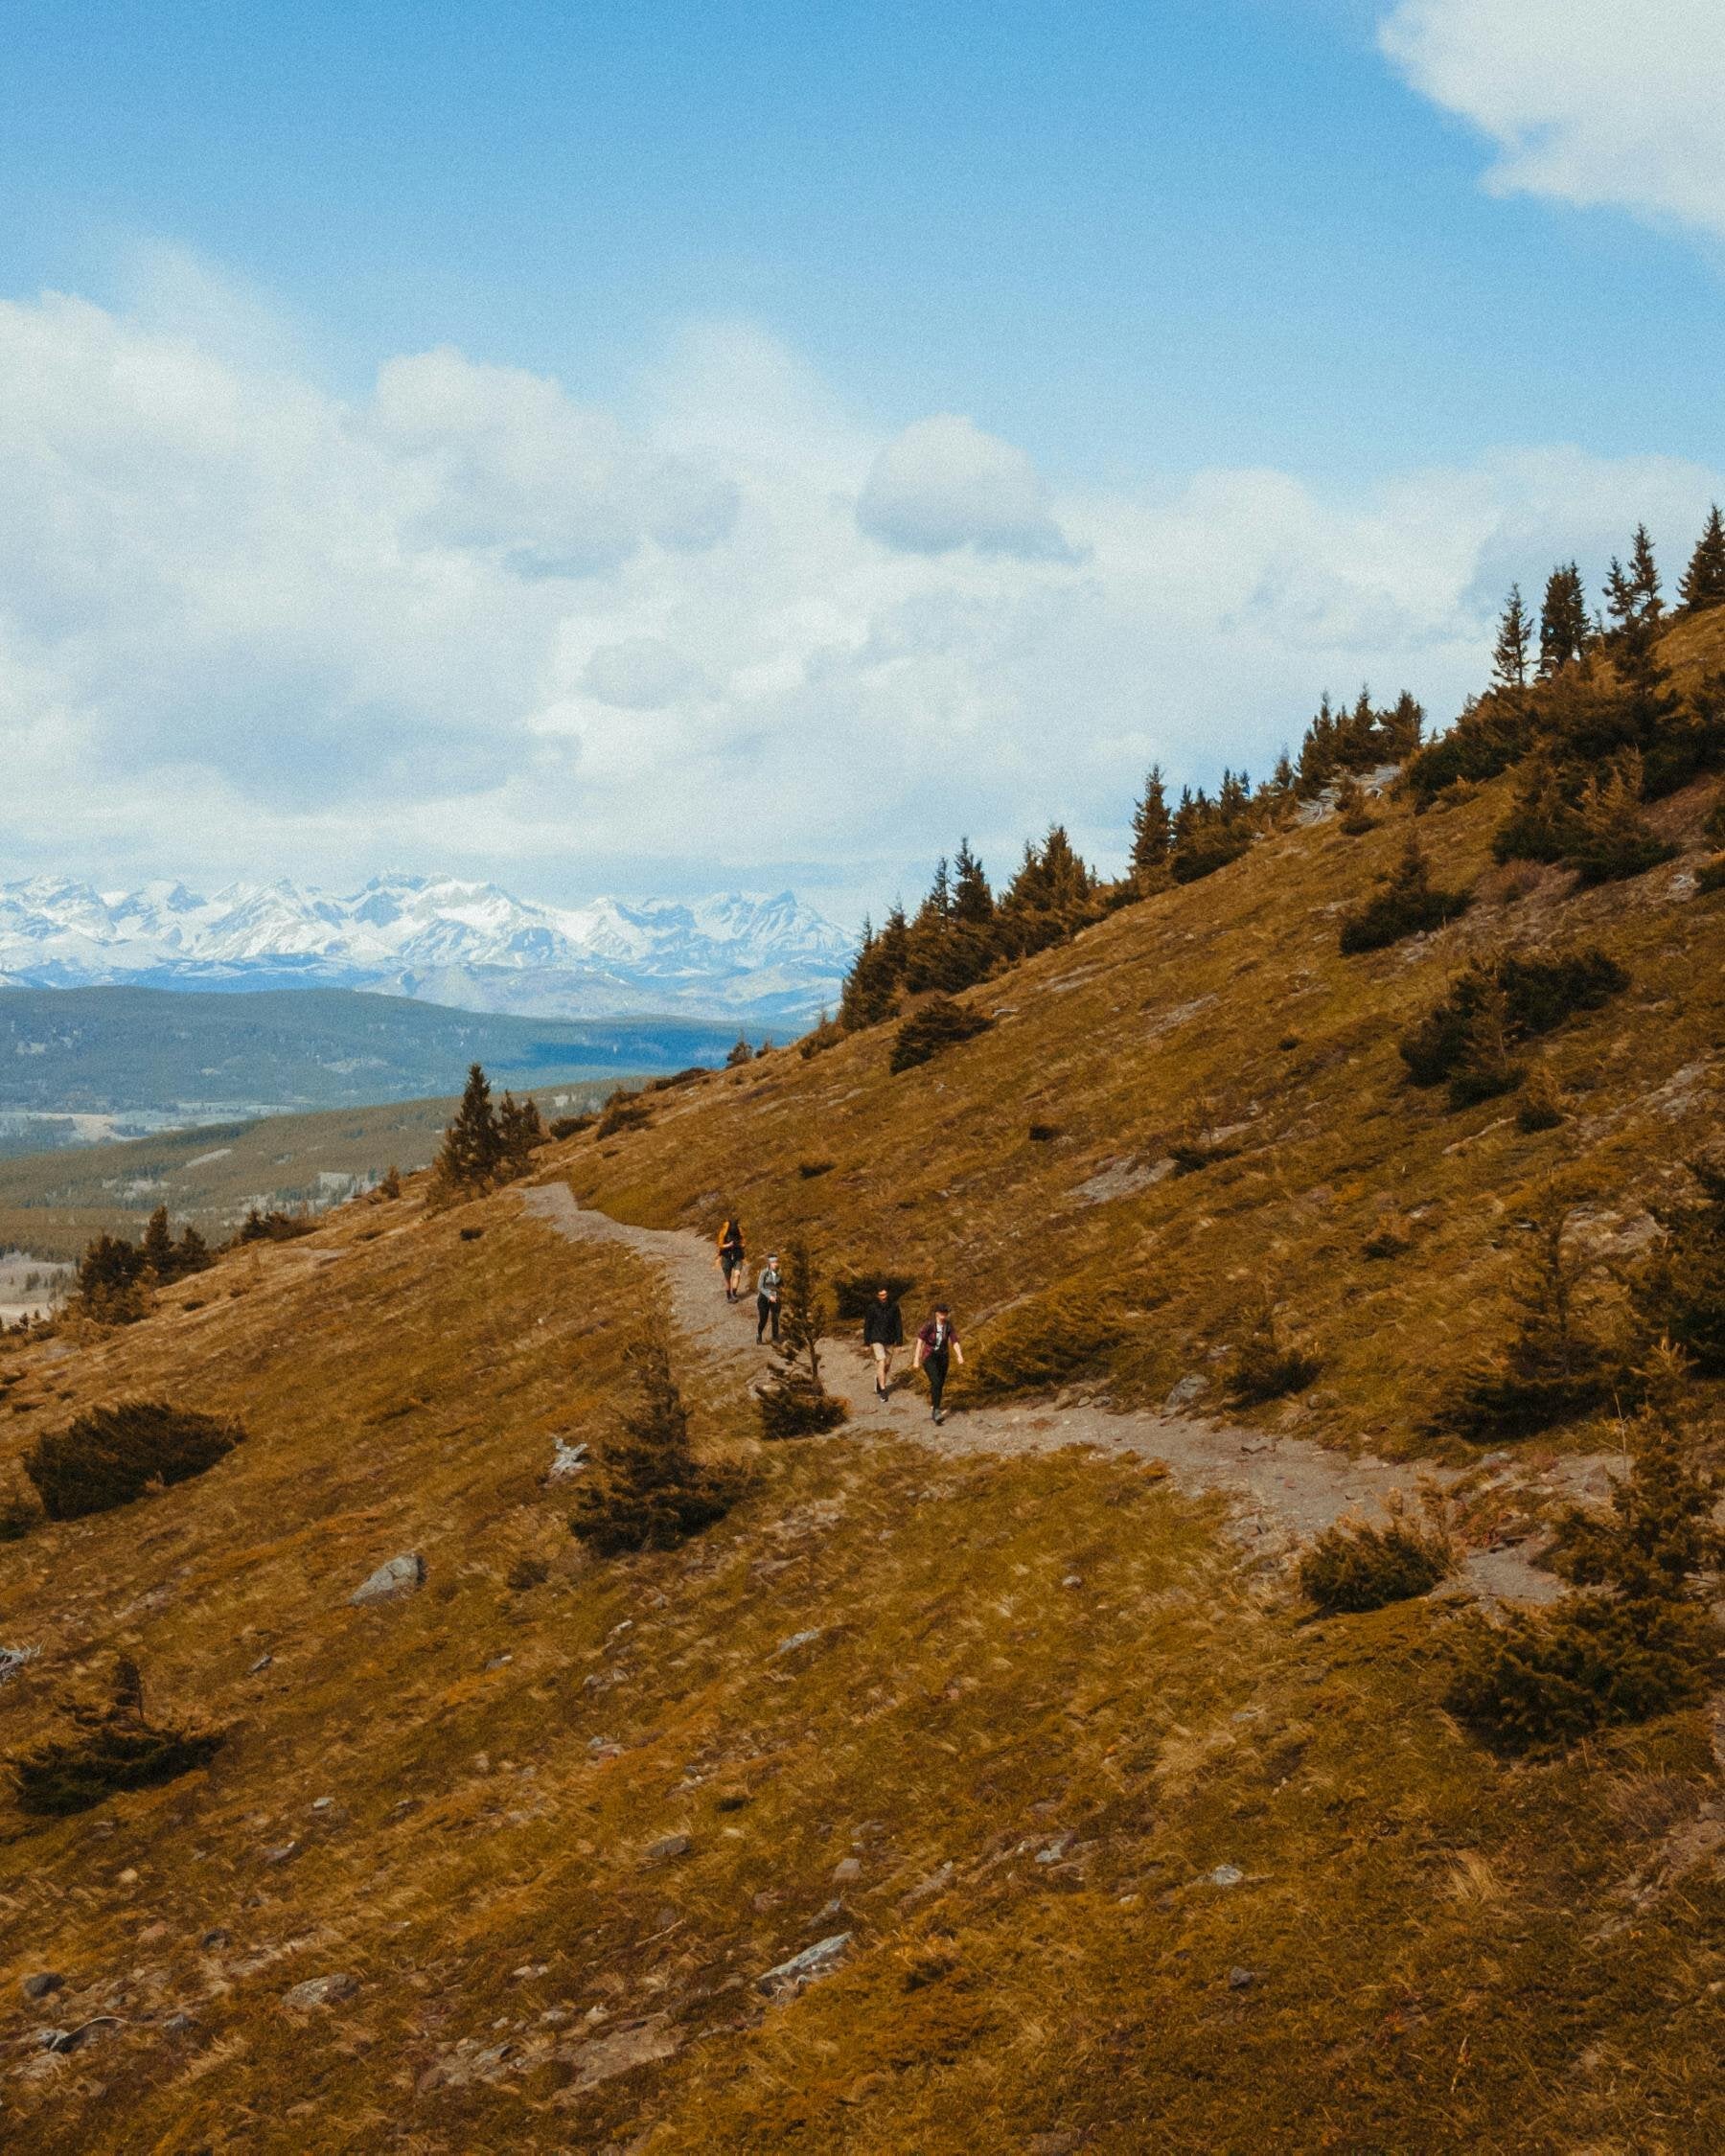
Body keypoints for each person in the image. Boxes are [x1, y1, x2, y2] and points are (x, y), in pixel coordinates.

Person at [913, 1303, 963, 1423]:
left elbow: (954, 1341)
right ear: (936, 1313)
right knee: (935, 1381)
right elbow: (920, 1341)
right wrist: (916, 1359)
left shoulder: (948, 1326)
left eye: (945, 1312)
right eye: (941, 1312)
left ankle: (935, 1404)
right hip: (929, 1356)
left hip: (943, 1357)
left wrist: (959, 1355)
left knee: (940, 1383)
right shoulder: (929, 1325)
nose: (943, 1314)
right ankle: (936, 1411)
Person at [862, 1283, 904, 1400]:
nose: (883, 1297)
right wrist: (866, 1342)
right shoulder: (872, 1308)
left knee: (887, 1366)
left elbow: (898, 1324)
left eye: (885, 1294)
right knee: (881, 1361)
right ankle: (883, 1390)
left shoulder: (894, 1306)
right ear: (877, 1296)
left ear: (887, 1294)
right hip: (876, 1338)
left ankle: (878, 1380)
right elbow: (868, 1325)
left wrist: (899, 1342)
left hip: (890, 1339)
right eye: (881, 1295)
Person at [716, 1216, 745, 1302]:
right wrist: (728, 1245)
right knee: (727, 1278)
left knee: (737, 1274)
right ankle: (729, 1296)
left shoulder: (740, 1231)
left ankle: (734, 1294)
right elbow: (720, 1245)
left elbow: (744, 1243)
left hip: (738, 1256)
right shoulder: (723, 1232)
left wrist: (739, 1245)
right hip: (726, 1256)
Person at [756, 1252, 783, 1343]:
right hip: (764, 1298)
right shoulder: (764, 1272)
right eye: (773, 1262)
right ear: (769, 1263)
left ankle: (775, 1338)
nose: (776, 1264)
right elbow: (760, 1287)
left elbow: (782, 1285)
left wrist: (780, 1294)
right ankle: (759, 1334)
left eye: (777, 1262)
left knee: (775, 1318)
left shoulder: (780, 1273)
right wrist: (769, 1296)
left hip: (776, 1297)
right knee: (763, 1319)